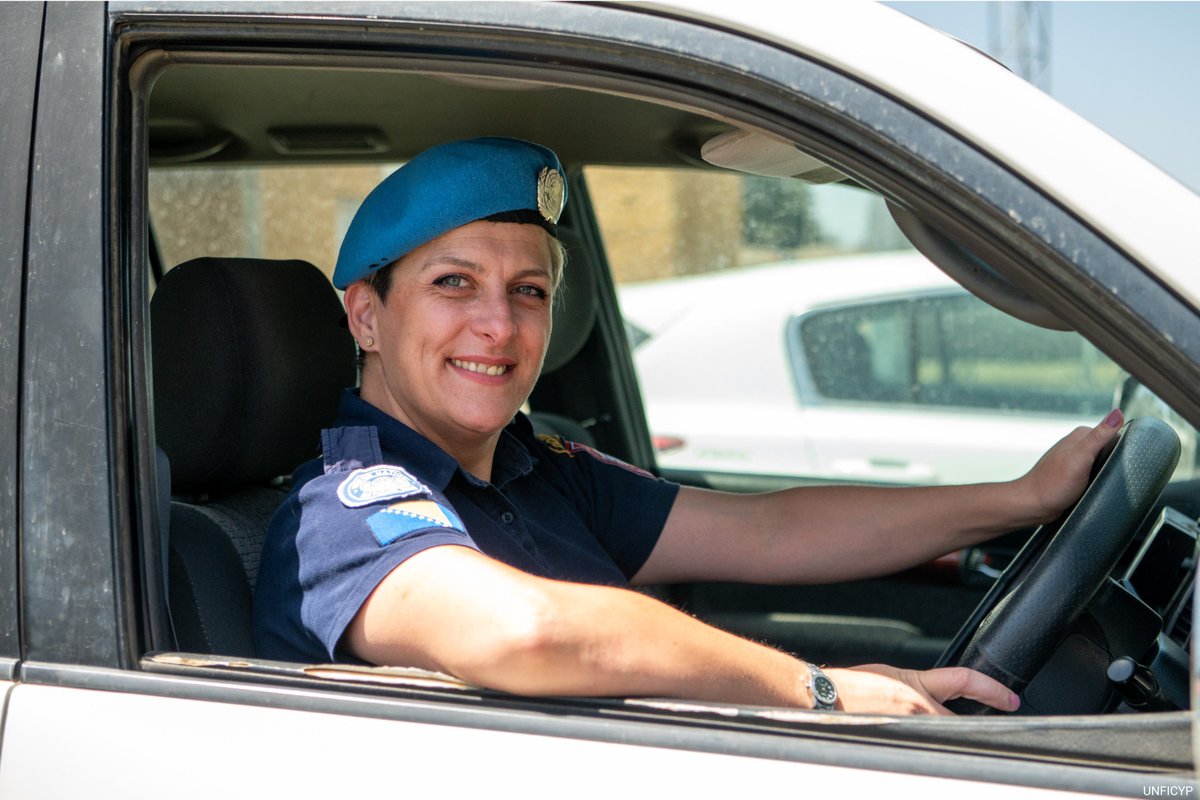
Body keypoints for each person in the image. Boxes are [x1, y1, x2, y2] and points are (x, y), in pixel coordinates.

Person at [253, 136, 1122, 715]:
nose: (499, 325)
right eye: (453, 284)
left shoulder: (537, 468)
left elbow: (773, 530)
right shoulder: (344, 512)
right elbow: (527, 633)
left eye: (529, 292)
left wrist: (1021, 497)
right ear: (366, 316)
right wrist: (816, 691)